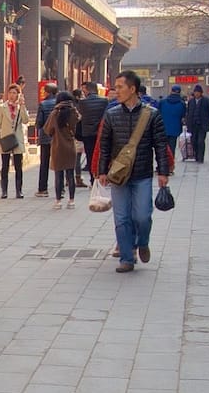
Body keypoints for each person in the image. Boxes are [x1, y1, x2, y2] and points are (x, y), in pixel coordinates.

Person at [94, 71, 174, 273]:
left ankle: (142, 242)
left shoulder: (152, 115)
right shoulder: (111, 114)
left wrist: (163, 172)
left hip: (142, 173)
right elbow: (104, 145)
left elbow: (160, 145)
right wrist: (102, 171)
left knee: (142, 216)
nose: (116, 91)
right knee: (121, 218)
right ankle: (127, 258)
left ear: (133, 89)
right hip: (118, 175)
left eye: (120, 87)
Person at [0, 83, 29, 199]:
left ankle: (19, 191)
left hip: (17, 139)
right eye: (10, 93)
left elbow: (25, 120)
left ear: (18, 95)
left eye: (14, 93)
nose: (12, 95)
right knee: (5, 166)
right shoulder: (2, 107)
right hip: (6, 139)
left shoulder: (20, 107)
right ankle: (4, 191)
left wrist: (22, 106)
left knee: (18, 166)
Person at [47, 93, 82, 209]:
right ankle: (71, 201)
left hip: (58, 147)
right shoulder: (74, 113)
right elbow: (78, 125)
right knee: (70, 174)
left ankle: (58, 201)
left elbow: (48, 130)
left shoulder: (54, 113)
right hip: (70, 147)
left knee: (58, 175)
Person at [75, 82, 111, 183]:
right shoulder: (104, 101)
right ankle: (102, 175)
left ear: (87, 90)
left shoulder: (82, 103)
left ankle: (93, 178)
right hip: (101, 132)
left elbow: (79, 117)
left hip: (87, 133)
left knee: (90, 156)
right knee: (102, 154)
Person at [34, 82, 59, 198]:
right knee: (59, 163)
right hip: (58, 138)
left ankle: (43, 189)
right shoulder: (59, 104)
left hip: (45, 137)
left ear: (47, 92)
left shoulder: (43, 104)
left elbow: (39, 122)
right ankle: (60, 189)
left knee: (44, 163)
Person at [184, 85, 209, 164]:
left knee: (200, 141)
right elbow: (188, 113)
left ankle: (200, 157)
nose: (196, 94)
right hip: (193, 125)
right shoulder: (191, 101)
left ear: (201, 93)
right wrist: (186, 122)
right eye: (195, 92)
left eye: (198, 92)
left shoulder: (207, 101)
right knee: (193, 141)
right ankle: (196, 155)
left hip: (202, 125)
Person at [156, 86, 188, 163]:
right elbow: (183, 116)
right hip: (175, 129)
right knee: (172, 147)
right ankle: (170, 163)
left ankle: (162, 163)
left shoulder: (162, 102)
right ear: (179, 92)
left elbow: (157, 114)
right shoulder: (182, 104)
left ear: (171, 91)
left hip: (162, 128)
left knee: (162, 147)